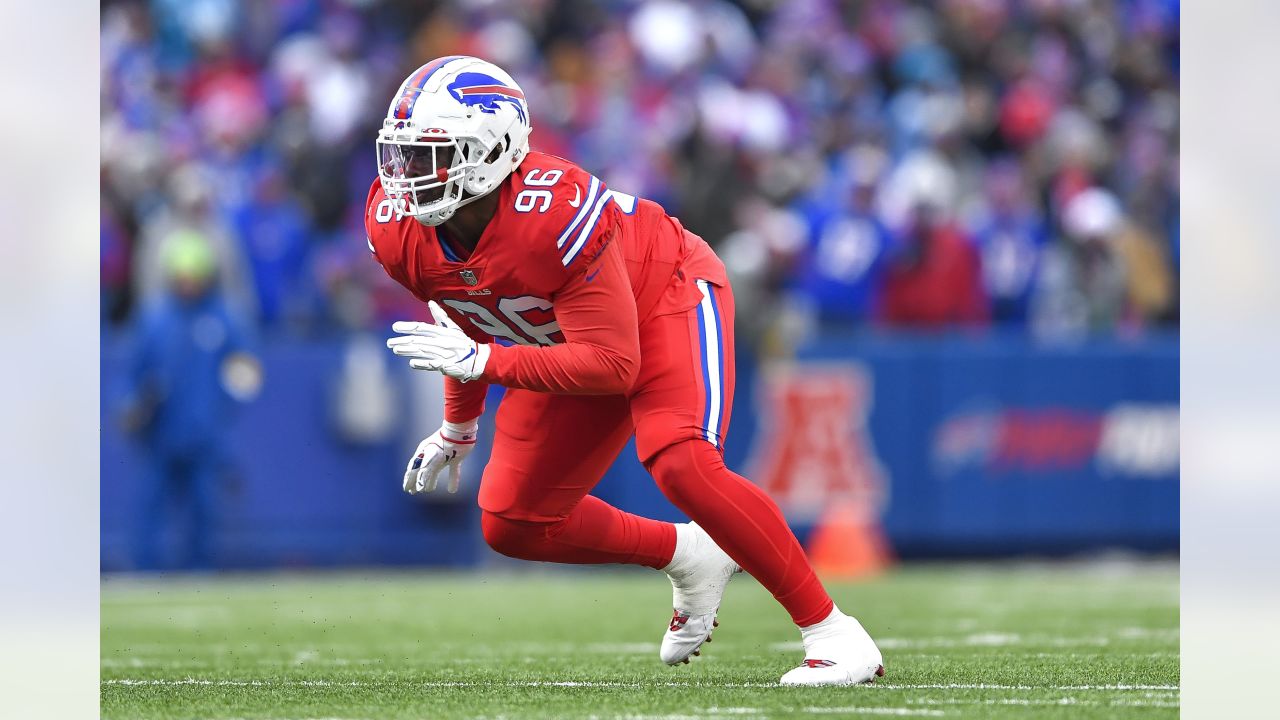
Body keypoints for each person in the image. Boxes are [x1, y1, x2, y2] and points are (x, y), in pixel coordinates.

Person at [366, 56, 883, 686]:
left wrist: (487, 364)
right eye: (402, 155)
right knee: (512, 520)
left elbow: (613, 365)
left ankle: (833, 632)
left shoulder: (551, 212)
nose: (407, 176)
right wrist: (459, 425)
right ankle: (689, 554)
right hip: (566, 340)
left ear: (492, 150)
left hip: (661, 298)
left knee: (680, 458)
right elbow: (467, 316)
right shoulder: (398, 227)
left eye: (431, 155)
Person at [123, 230, 262, 569]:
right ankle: (146, 572)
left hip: (205, 434)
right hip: (161, 434)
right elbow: (132, 375)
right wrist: (130, 404)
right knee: (151, 507)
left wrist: (226, 402)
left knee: (205, 510)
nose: (188, 285)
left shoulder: (225, 319)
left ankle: (201, 574)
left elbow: (246, 372)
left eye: (194, 277)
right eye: (182, 277)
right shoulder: (154, 320)